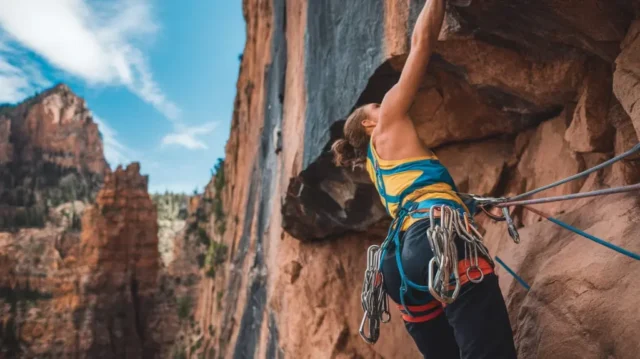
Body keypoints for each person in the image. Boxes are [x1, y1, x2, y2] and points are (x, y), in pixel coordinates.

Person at [331, 0, 517, 358]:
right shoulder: (386, 124)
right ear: (369, 124)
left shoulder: (375, 165)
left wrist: (469, 202)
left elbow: (419, 192)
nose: (382, 105)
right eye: (375, 107)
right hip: (436, 240)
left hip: (399, 264)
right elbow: (421, 43)